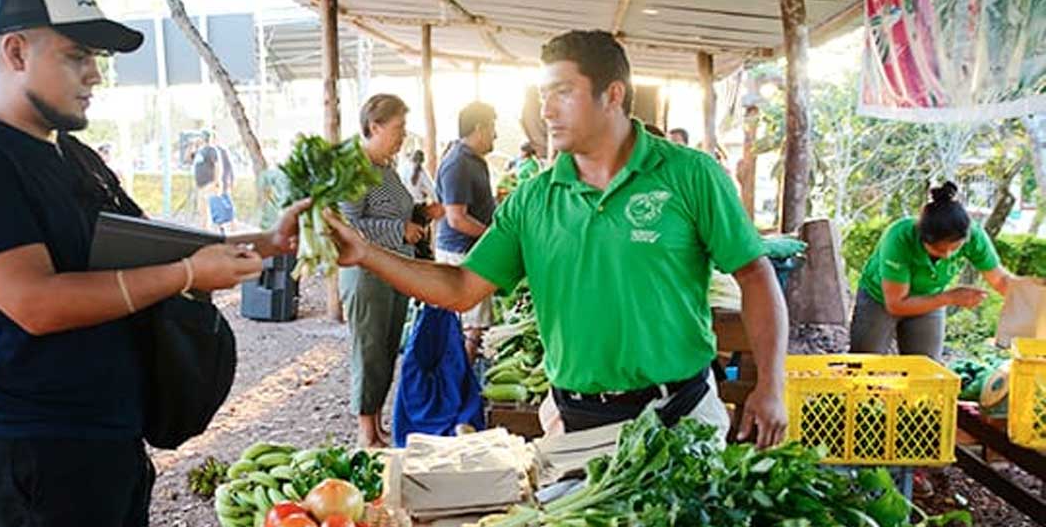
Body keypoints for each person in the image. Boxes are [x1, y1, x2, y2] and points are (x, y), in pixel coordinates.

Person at [0, 0, 308, 527]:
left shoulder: (73, 155)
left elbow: (151, 247)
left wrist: (261, 242)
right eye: (77, 56)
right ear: (15, 51)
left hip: (110, 441)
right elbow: (35, 303)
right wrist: (188, 277)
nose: (95, 75)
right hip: (43, 455)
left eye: (95, 58)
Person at [322, 30, 789, 446]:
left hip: (681, 414)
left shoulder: (691, 175)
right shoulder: (534, 199)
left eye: (563, 93)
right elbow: (462, 288)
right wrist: (365, 253)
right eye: (543, 95)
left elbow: (754, 273)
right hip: (578, 423)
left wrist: (770, 385)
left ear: (613, 94)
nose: (546, 111)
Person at [339, 94, 442, 448]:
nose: (403, 136)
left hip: (394, 270)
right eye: (398, 128)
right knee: (368, 350)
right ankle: (365, 431)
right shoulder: (353, 170)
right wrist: (400, 230)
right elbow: (348, 226)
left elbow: (395, 211)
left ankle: (377, 423)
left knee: (385, 349)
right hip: (366, 273)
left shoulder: (385, 168)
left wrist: (422, 213)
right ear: (374, 127)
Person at [850, 182, 1015, 359]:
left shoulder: (974, 237)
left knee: (926, 366)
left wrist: (1028, 300)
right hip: (880, 299)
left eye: (955, 248)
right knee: (865, 363)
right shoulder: (899, 237)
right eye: (938, 249)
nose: (947, 255)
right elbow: (896, 304)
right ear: (922, 238)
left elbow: (1000, 280)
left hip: (930, 298)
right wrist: (951, 297)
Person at [435, 101, 498, 361]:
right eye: (492, 127)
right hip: (461, 254)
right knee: (473, 328)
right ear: (479, 128)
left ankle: (461, 378)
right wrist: (494, 237)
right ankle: (459, 380)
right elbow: (457, 219)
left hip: (470, 251)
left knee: (475, 326)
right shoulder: (458, 163)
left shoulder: (473, 160)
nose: (495, 135)